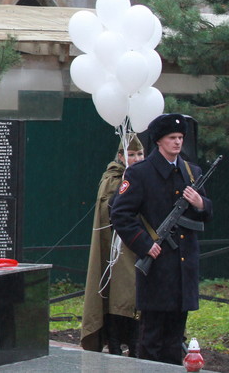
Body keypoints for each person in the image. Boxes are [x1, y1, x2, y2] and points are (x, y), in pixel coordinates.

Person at [110, 113, 213, 364]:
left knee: (175, 335)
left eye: (180, 138)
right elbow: (120, 214)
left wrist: (201, 203)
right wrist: (145, 244)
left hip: (183, 264)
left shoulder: (191, 171)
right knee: (152, 337)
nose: (177, 143)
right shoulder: (140, 174)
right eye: (171, 138)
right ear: (158, 141)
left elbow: (205, 215)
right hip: (157, 265)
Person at [81, 133, 144, 356]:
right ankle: (115, 344)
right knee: (118, 295)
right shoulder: (113, 177)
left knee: (136, 297)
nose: (136, 158)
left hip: (140, 245)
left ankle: (136, 345)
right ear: (120, 156)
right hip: (116, 248)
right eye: (131, 154)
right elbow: (107, 208)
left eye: (139, 154)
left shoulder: (146, 176)